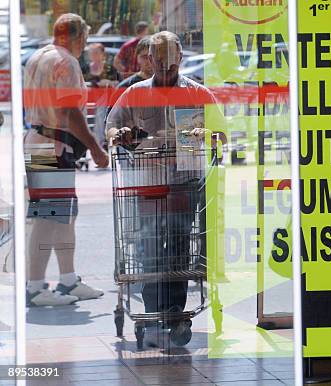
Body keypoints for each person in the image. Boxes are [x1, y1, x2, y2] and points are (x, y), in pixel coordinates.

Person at [106, 31, 218, 346]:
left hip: (183, 184)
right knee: (150, 247)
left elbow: (221, 130)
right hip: (147, 184)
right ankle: (157, 310)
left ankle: (173, 311)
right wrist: (121, 133)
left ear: (180, 58)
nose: (166, 66)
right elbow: (112, 126)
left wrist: (207, 133)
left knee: (181, 247)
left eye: (171, 60)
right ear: (150, 59)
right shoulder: (134, 94)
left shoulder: (198, 93)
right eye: (160, 60)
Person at [23, 13, 109, 306]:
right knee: (49, 218)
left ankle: (67, 280)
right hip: (53, 146)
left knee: (60, 216)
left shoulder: (38, 57)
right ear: (77, 36)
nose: (85, 44)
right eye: (84, 37)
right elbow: (70, 112)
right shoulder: (66, 62)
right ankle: (35, 287)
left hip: (39, 142)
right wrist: (96, 148)